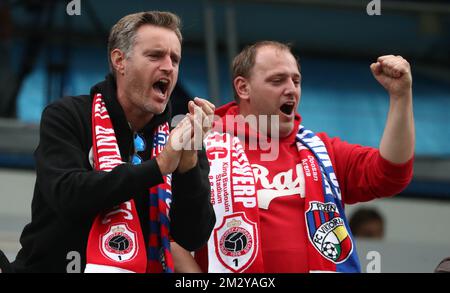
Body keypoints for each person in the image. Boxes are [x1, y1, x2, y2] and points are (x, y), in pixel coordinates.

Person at [173, 41, 414, 273]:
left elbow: (391, 174)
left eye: (296, 80)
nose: (291, 89)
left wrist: (401, 97)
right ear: (243, 88)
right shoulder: (201, 145)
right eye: (277, 80)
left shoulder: (322, 151)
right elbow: (167, 231)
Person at [12, 11, 215, 273]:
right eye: (155, 56)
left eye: (175, 59)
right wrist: (159, 166)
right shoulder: (67, 115)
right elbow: (68, 196)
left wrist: (187, 169)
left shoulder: (181, 135)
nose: (168, 67)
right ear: (119, 60)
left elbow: (193, 236)